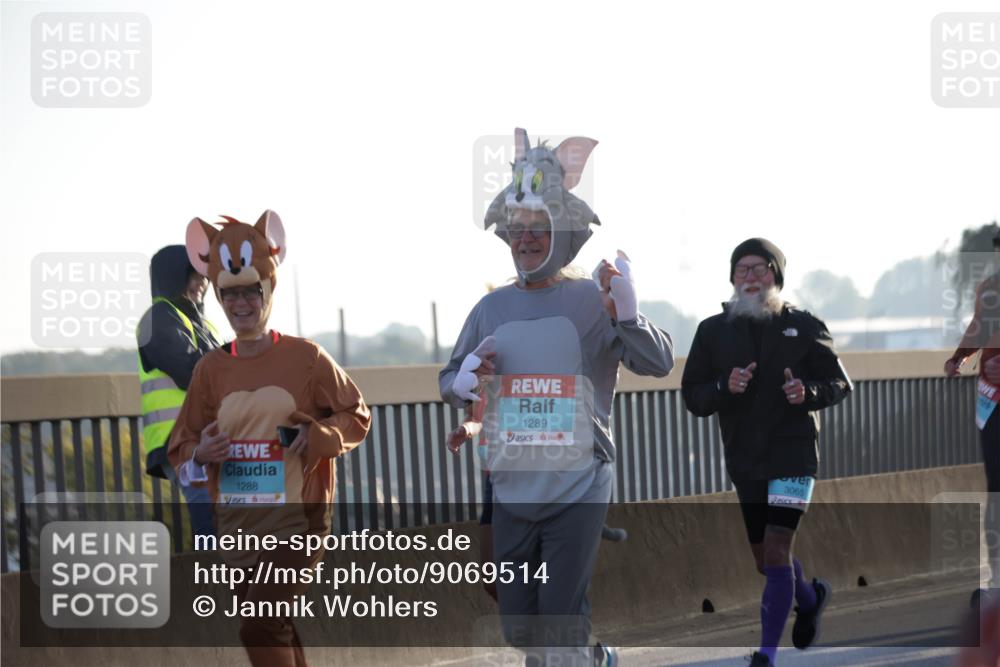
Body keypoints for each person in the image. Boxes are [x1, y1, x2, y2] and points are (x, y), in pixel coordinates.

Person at [440, 128, 674, 666]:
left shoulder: (592, 300)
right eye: (517, 229)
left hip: (580, 479)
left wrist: (630, 316)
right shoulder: (490, 309)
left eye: (537, 228)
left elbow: (657, 362)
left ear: (562, 231)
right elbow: (451, 378)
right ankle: (592, 660)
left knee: (559, 618)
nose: (525, 239)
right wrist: (465, 381)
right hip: (514, 482)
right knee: (522, 624)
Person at [167, 210, 371, 667]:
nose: (241, 303)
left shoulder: (307, 358)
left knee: (258, 622)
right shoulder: (209, 370)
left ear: (268, 289)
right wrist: (202, 453)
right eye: (230, 294)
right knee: (271, 624)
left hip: (296, 526)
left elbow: (356, 416)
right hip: (238, 530)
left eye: (250, 291)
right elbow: (181, 447)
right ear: (219, 296)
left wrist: (316, 435)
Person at [681, 238, 852, 667]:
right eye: (743, 270)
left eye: (761, 269)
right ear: (733, 279)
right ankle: (809, 598)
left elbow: (840, 384)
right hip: (746, 457)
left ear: (776, 275)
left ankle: (766, 656)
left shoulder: (805, 326)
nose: (752, 278)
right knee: (765, 560)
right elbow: (693, 396)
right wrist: (725, 386)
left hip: (794, 455)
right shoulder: (712, 331)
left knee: (777, 549)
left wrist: (806, 392)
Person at [136, 245, 221, 537]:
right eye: (194, 276)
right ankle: (213, 582)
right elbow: (192, 373)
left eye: (204, 278)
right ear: (172, 277)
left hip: (208, 441)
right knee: (211, 528)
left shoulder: (204, 323)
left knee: (226, 527)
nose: (202, 284)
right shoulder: (156, 319)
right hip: (180, 444)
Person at [945, 227, 1000, 599]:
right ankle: (998, 579)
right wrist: (960, 355)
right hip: (992, 399)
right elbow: (981, 327)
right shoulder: (990, 288)